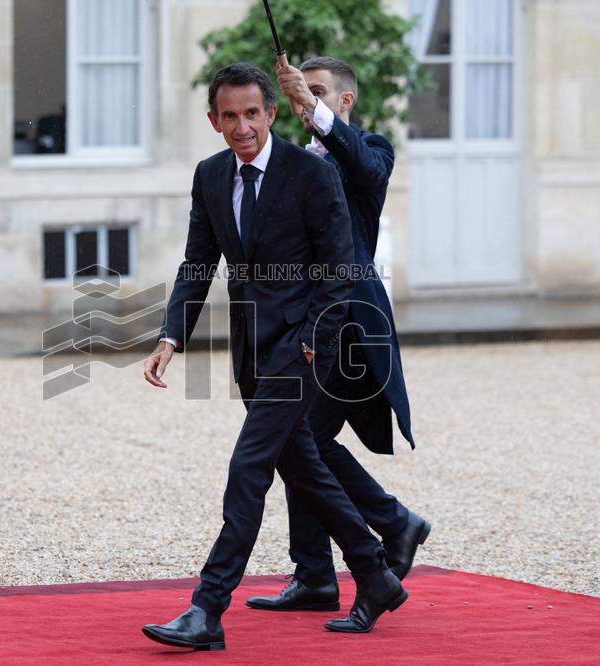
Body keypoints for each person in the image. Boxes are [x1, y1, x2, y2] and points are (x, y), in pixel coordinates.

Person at [140, 63, 407, 651]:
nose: (242, 127)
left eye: (252, 114)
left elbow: (340, 267)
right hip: (251, 351)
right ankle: (374, 573)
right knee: (302, 466)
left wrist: (313, 337)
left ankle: (207, 608)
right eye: (229, 116)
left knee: (249, 467)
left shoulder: (312, 172)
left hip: (302, 349)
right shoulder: (210, 175)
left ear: (271, 112)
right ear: (214, 120)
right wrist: (170, 337)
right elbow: (197, 263)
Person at [244, 57, 430, 614]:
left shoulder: (371, 151)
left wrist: (312, 107)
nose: (305, 101)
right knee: (299, 442)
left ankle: (393, 524)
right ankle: (318, 575)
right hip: (301, 322)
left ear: (343, 101)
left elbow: (365, 171)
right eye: (301, 92)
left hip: (349, 323)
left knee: (302, 440)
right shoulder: (292, 162)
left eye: (318, 92)